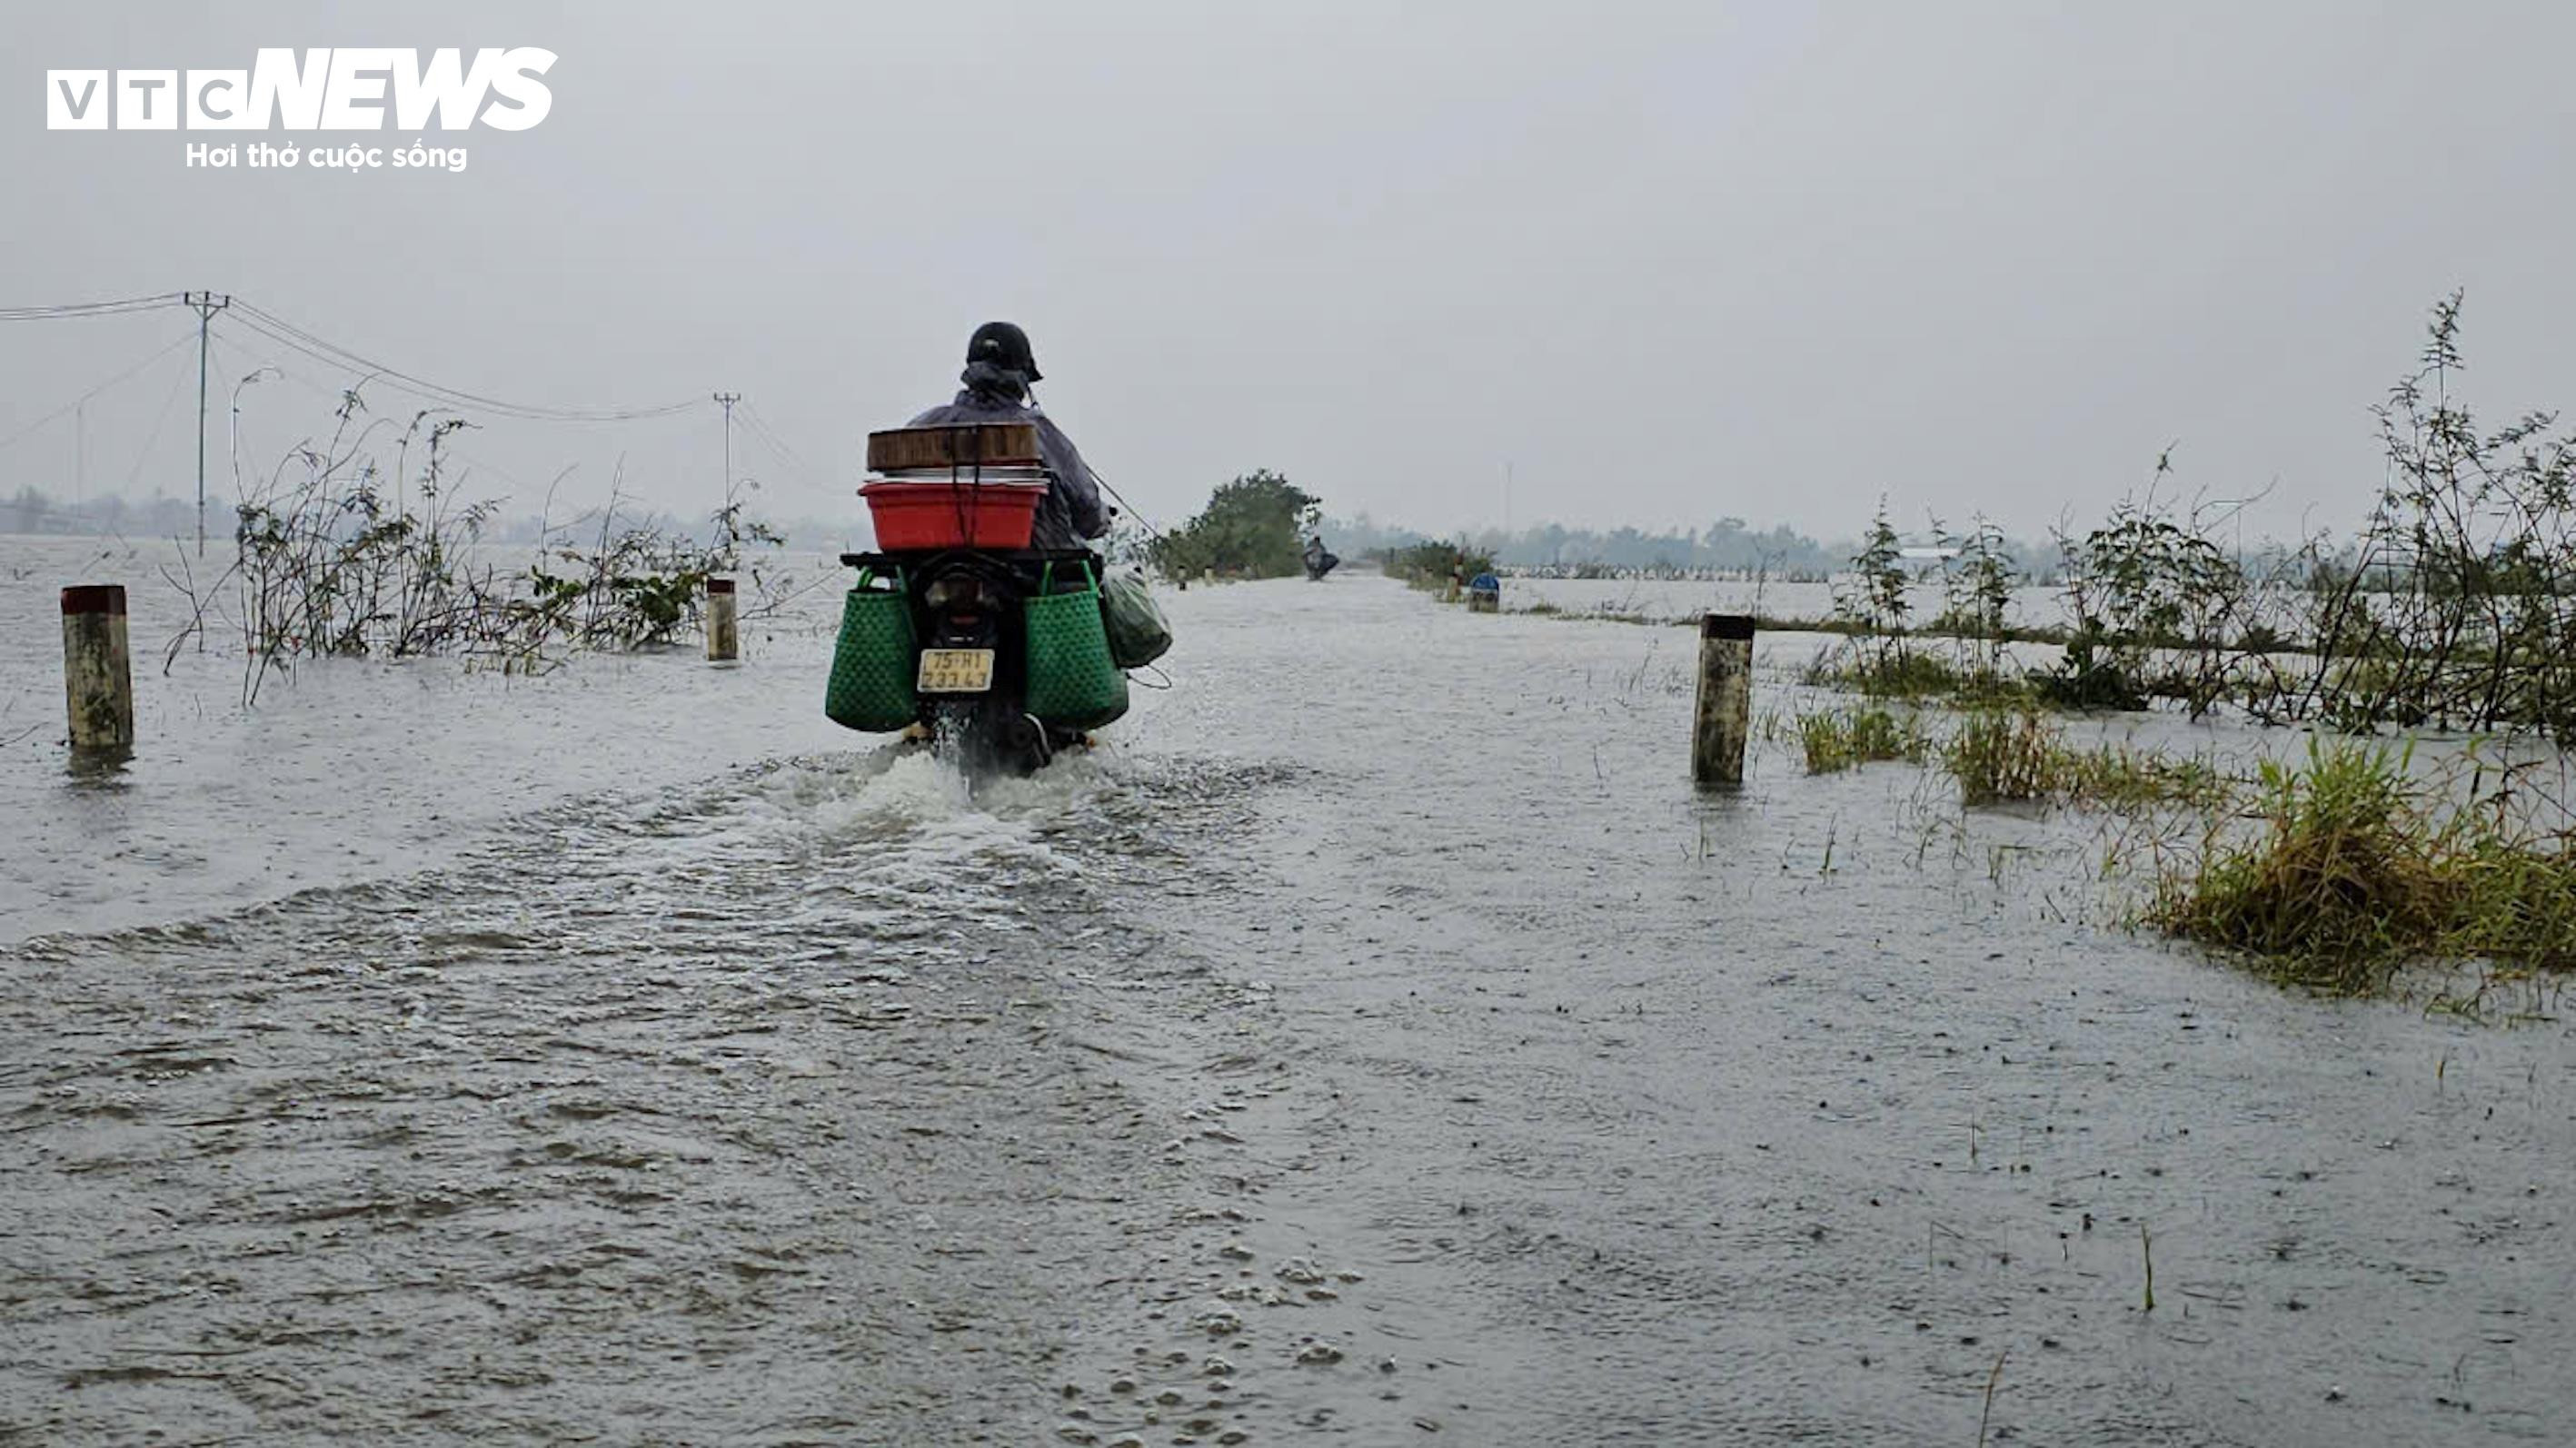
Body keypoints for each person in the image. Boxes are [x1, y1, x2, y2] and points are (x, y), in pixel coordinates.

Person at [909, 322, 1109, 552]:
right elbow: (1088, 514)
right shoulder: (1038, 431)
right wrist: (1102, 519)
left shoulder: (923, 425)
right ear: (1022, 376)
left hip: (925, 567)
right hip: (1037, 572)